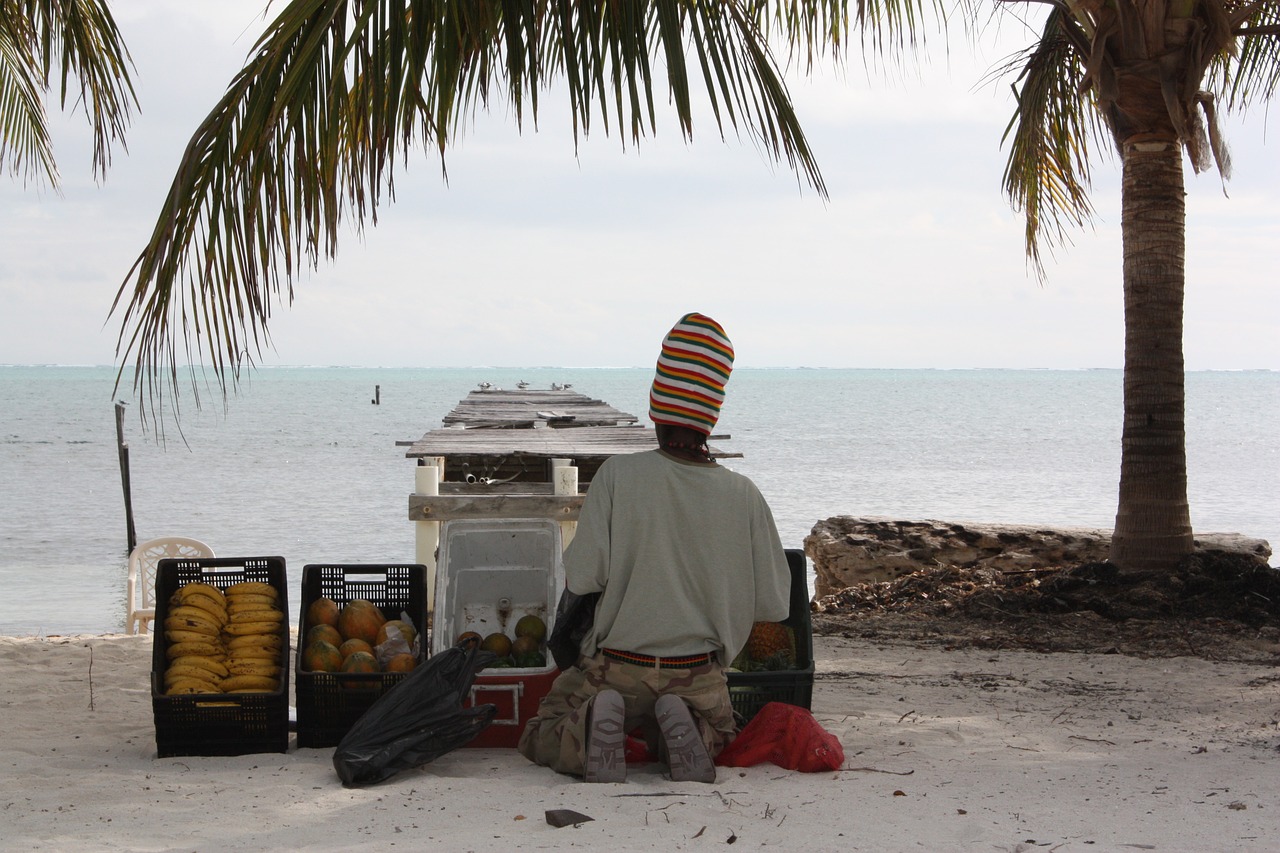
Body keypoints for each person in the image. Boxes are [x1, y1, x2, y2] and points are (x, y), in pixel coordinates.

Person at [517, 312, 791, 783]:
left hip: (619, 669)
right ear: (711, 416)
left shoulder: (618, 476)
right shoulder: (744, 494)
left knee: (541, 728)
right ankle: (687, 731)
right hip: (698, 674)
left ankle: (589, 731)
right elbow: (774, 603)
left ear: (655, 405)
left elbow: (583, 577)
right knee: (718, 733)